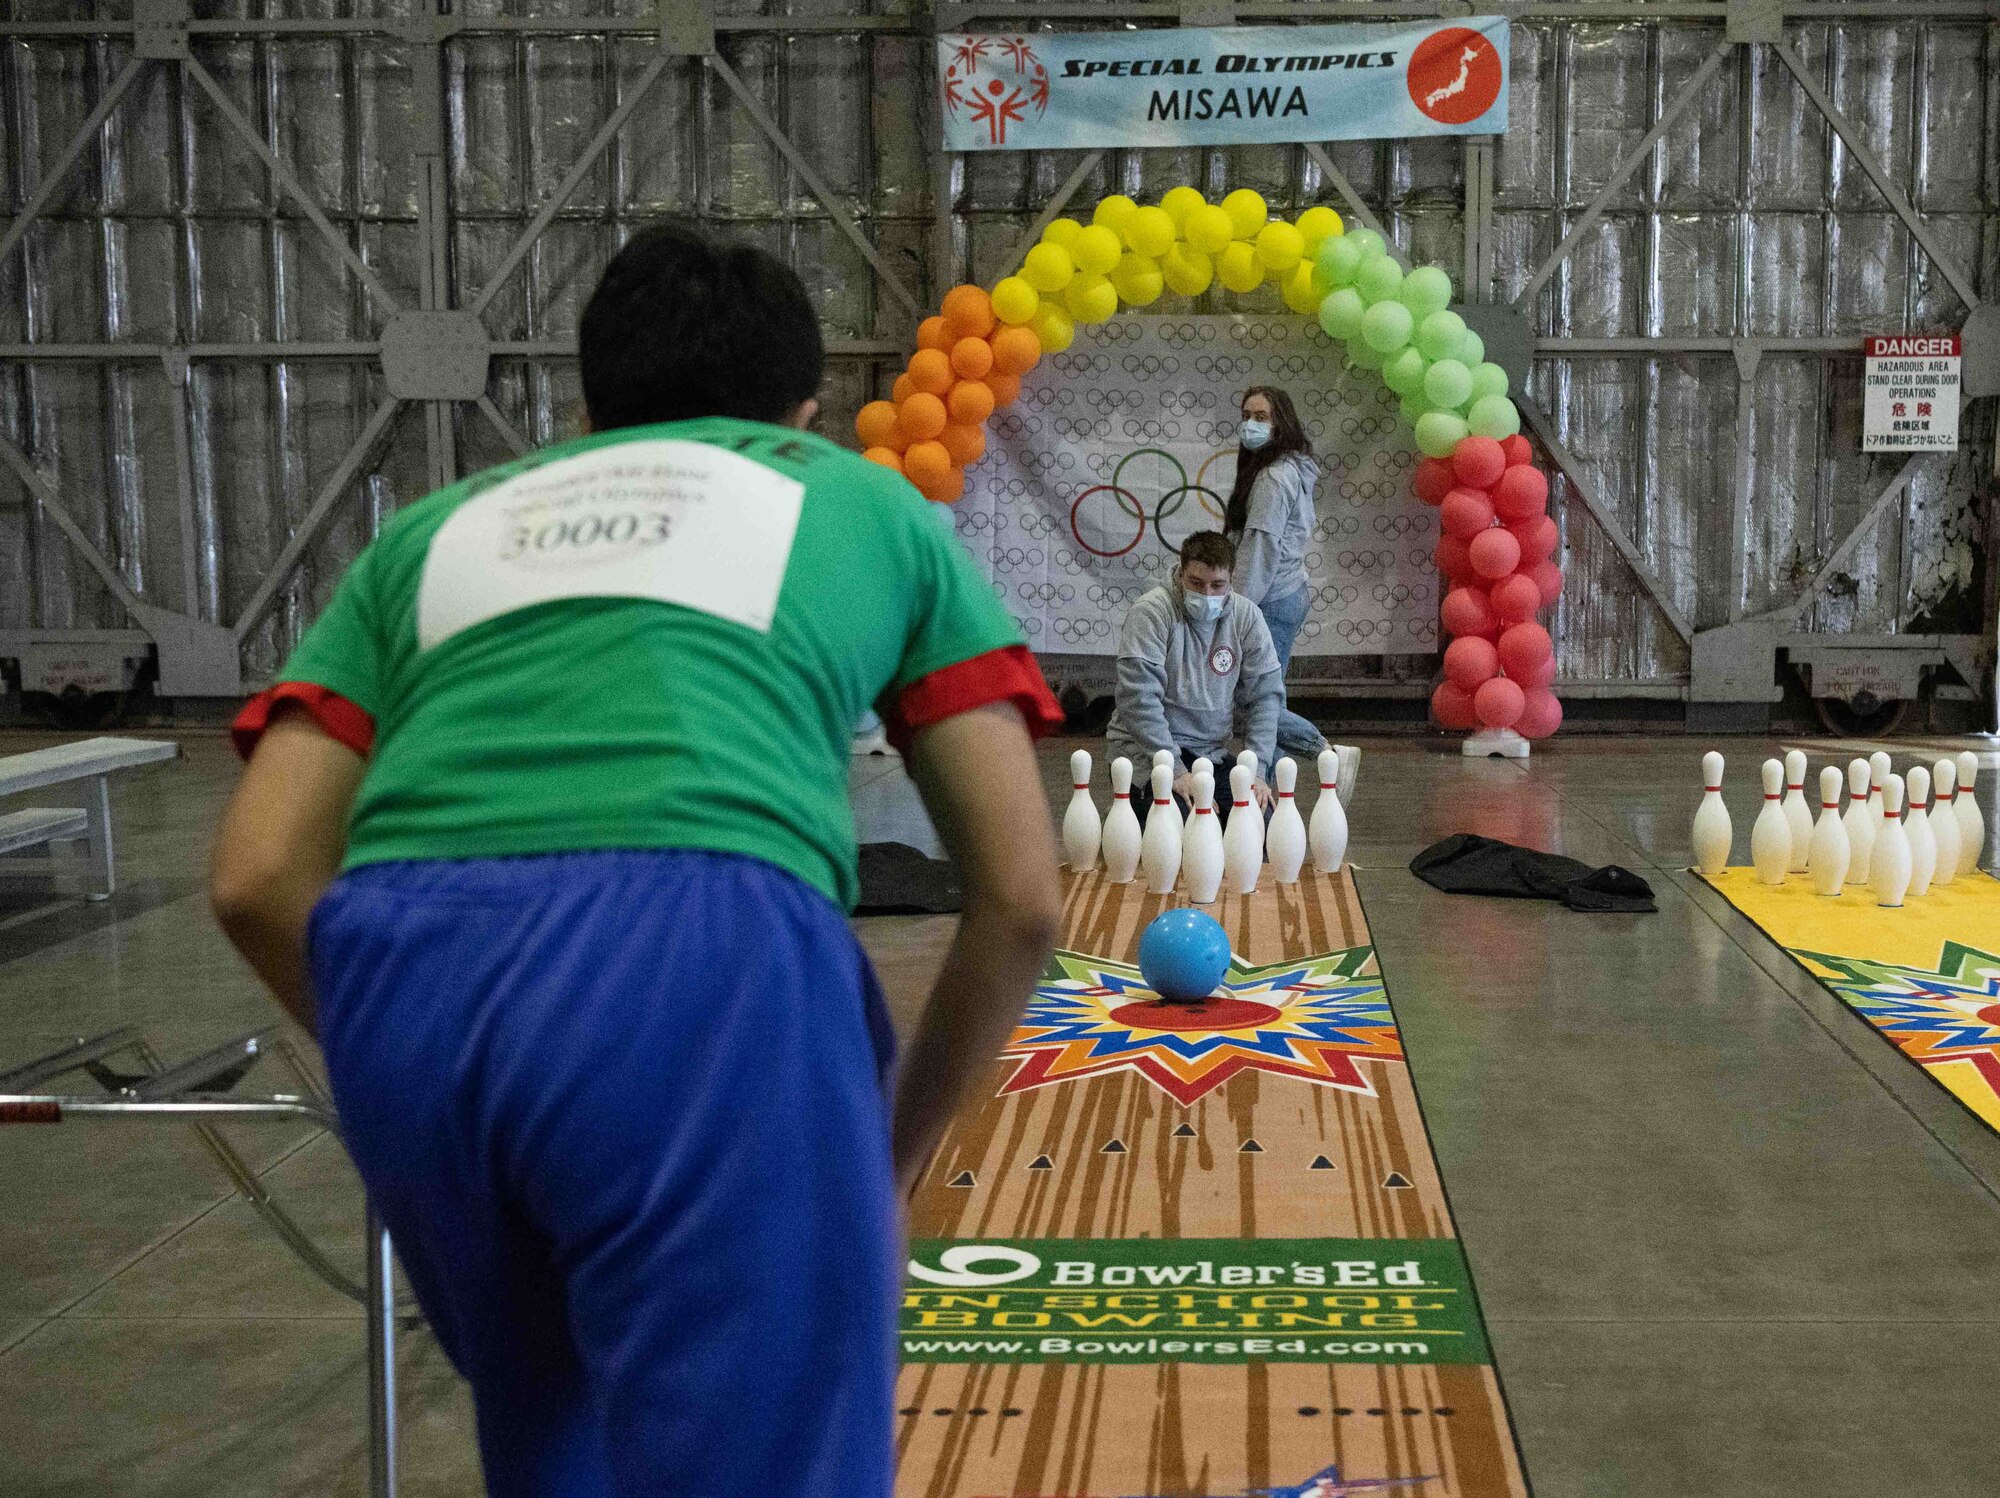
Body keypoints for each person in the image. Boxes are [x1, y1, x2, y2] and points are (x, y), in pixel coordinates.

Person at [207, 222, 1065, 1498]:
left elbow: (257, 874)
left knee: (559, 1441)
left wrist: (437, 1038)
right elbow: (1019, 897)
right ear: (805, 408)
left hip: (407, 982)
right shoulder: (859, 498)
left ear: (585, 408)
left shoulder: (433, 530)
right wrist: (882, 1156)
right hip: (699, 958)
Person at [1104, 529, 1281, 823]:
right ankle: (1130, 812)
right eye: (1196, 583)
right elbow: (1138, 699)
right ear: (1180, 573)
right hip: (1146, 752)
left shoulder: (1247, 616)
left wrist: (1257, 770)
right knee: (1186, 822)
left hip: (1210, 754)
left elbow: (1266, 696)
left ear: (1231, 580)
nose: (1207, 594)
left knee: (1260, 820)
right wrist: (1174, 768)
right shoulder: (1151, 611)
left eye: (1217, 585)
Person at [1224, 385, 1330, 757]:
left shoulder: (1272, 478)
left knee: (1258, 701)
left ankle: (1323, 751)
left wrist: (1236, 608)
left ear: (1280, 423)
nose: (1250, 424)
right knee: (1264, 697)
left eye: (1261, 417)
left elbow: (1261, 548)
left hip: (1270, 597)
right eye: (1246, 416)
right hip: (1285, 593)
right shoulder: (1290, 469)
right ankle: (1268, 788)